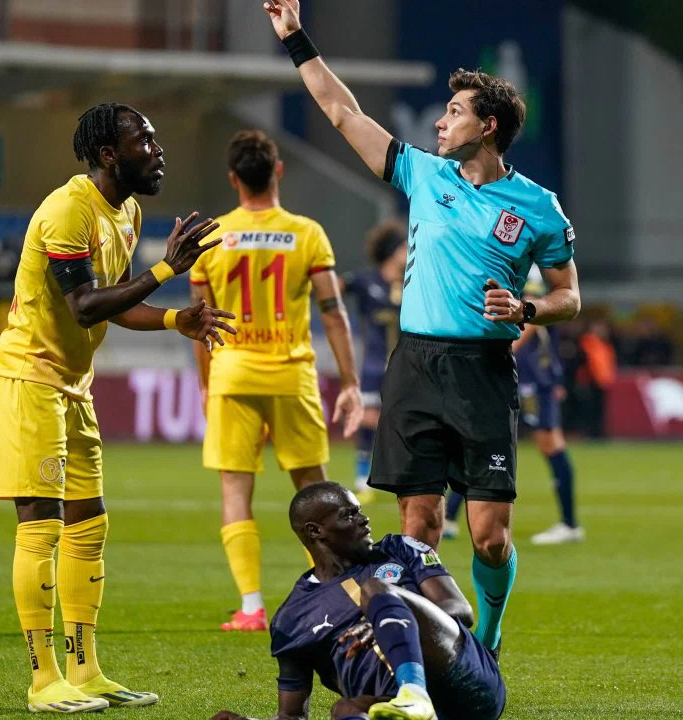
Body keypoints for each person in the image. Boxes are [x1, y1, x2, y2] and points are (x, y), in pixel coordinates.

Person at [264, 0, 581, 658]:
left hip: (483, 373)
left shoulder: (539, 208)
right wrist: (296, 38)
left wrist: (527, 311)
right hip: (416, 366)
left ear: (487, 127)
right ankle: (423, 654)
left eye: (454, 112)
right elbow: (343, 112)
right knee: (419, 527)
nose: (439, 121)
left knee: (489, 536)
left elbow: (570, 296)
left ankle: (488, 633)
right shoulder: (423, 173)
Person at [0, 102, 235, 713]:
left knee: (90, 524)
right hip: (28, 378)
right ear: (108, 154)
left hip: (74, 383)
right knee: (41, 525)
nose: (158, 150)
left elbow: (116, 302)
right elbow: (85, 307)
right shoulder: (67, 210)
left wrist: (177, 320)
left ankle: (86, 670)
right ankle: (44, 680)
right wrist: (166, 269)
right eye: (144, 140)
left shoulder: (127, 211)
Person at [191, 129, 363, 632]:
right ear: (278, 171)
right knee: (316, 492)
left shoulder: (212, 237)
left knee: (234, 490)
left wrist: (206, 383)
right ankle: (336, 595)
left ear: (233, 179)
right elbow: (333, 312)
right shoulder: (306, 234)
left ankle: (250, 606)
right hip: (291, 375)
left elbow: (200, 322)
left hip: (234, 374)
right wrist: (350, 380)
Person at [209, 482, 506, 720]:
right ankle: (407, 705)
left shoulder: (399, 548)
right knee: (345, 710)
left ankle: (414, 693)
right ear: (315, 531)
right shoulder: (291, 620)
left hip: (466, 679)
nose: (364, 520)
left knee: (376, 590)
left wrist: (387, 616)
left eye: (359, 511)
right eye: (349, 515)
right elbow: (292, 715)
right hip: (394, 706)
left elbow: (459, 610)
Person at [445, 269, 581, 545]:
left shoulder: (525, 267)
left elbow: (528, 315)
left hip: (534, 379)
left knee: (548, 442)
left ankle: (569, 524)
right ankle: (449, 517)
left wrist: (496, 352)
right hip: (523, 375)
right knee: (479, 439)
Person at [342, 220, 406, 504]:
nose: (408, 251)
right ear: (392, 251)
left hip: (406, 365)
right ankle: (362, 479)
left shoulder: (413, 281)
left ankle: (403, 476)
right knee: (368, 419)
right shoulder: (366, 281)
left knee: (405, 421)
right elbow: (334, 287)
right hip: (373, 363)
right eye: (403, 247)